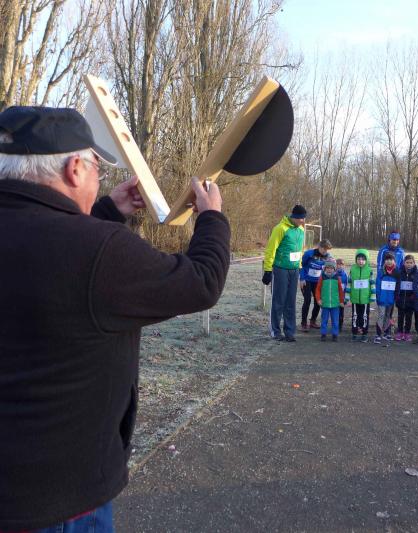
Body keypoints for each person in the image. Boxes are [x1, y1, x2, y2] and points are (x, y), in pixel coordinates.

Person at [0, 106, 229, 531]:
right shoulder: (98, 249)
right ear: (74, 169)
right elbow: (201, 282)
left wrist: (107, 208)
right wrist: (212, 218)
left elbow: (50, 262)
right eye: (96, 171)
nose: (98, 180)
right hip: (58, 503)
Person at [262, 204, 306, 341]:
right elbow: (271, 249)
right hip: (280, 269)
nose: (303, 221)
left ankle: (289, 331)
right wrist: (268, 270)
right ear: (295, 217)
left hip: (294, 270)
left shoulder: (301, 230)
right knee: (278, 300)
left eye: (304, 218)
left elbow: (299, 250)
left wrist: (300, 266)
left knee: (290, 301)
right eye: (301, 218)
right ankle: (275, 331)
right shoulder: (280, 228)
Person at [299, 239, 332, 331]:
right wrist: (302, 278)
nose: (325, 251)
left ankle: (313, 321)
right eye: (324, 249)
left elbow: (329, 268)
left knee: (318, 301)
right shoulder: (309, 254)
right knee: (307, 300)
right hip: (307, 280)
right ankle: (303, 323)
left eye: (327, 250)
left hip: (318, 282)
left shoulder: (328, 256)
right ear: (319, 247)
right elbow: (301, 266)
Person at [346, 248, 375, 342]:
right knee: (355, 316)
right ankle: (354, 333)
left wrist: (373, 296)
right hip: (354, 299)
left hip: (365, 299)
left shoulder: (369, 270)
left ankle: (364, 333)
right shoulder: (352, 269)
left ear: (366, 260)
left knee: (364, 316)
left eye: (363, 259)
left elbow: (372, 284)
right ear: (356, 260)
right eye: (358, 259)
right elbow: (349, 283)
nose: (361, 261)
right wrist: (347, 297)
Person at [315, 259, 345, 342]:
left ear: (334, 269)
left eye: (331, 268)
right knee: (324, 320)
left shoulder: (337, 278)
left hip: (335, 304)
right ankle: (323, 334)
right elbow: (318, 290)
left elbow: (340, 291)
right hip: (325, 303)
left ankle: (335, 334)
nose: (329, 269)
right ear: (325, 268)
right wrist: (318, 299)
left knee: (335, 320)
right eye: (327, 268)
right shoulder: (322, 278)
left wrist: (341, 301)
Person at [375, 251, 400, 343]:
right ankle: (378, 334)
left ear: (394, 261)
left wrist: (396, 296)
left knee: (388, 315)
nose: (389, 261)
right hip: (382, 298)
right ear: (384, 261)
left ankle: (386, 333)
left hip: (391, 299)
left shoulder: (397, 272)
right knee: (381, 315)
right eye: (387, 259)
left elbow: (398, 286)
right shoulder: (381, 271)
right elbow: (377, 285)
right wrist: (378, 296)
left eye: (391, 259)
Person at [395, 254, 417, 341]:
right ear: (404, 263)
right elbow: (397, 284)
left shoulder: (416, 273)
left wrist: (414, 295)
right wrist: (397, 295)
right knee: (400, 317)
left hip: (411, 300)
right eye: (407, 262)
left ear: (414, 263)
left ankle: (407, 333)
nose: (409, 264)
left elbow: (417, 286)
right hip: (401, 299)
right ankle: (400, 332)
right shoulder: (400, 272)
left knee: (409, 318)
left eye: (411, 263)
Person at [336, 258, 348, 332]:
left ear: (344, 266)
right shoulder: (333, 274)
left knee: (341, 312)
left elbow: (346, 287)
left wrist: (345, 298)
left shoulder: (345, 275)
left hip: (342, 298)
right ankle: (335, 325)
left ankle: (340, 325)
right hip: (334, 297)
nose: (339, 266)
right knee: (335, 313)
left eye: (341, 264)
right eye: (338, 264)